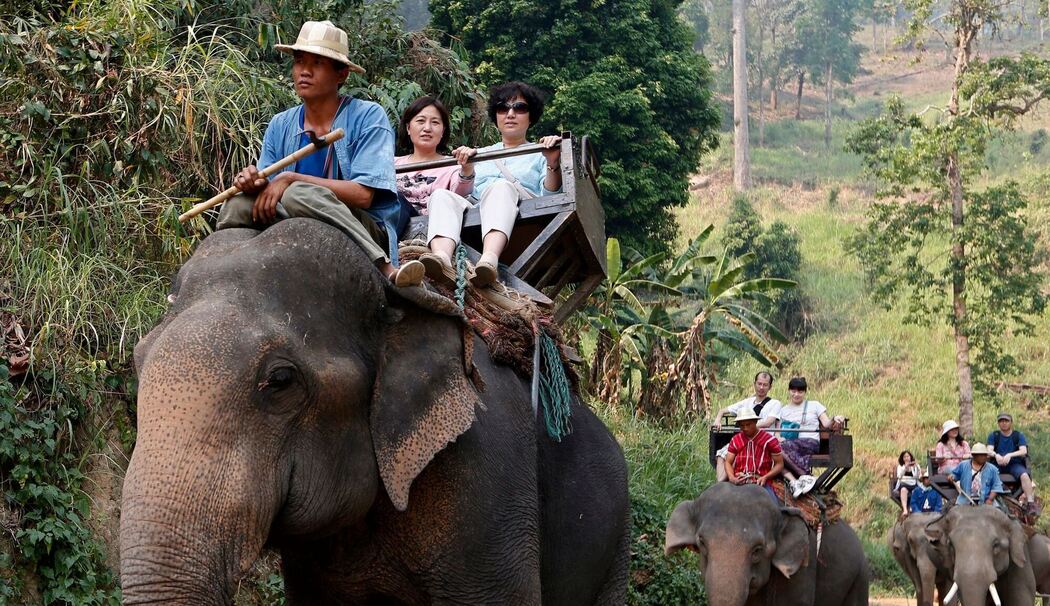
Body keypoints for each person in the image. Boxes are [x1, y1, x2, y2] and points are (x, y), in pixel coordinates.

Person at [216, 20, 424, 287]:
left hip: (359, 224)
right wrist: (254, 183)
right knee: (236, 204)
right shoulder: (280, 123)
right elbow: (269, 186)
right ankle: (216, 275)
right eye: (300, 61)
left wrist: (291, 179)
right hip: (292, 211)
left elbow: (363, 195)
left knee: (299, 193)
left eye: (317, 63)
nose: (304, 71)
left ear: (342, 74)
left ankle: (384, 266)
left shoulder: (368, 116)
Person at [417, 81, 563, 288]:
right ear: (496, 115)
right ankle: (441, 257)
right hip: (478, 216)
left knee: (500, 187)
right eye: (503, 108)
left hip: (522, 220)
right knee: (441, 195)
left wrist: (552, 161)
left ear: (531, 117)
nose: (510, 114)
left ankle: (489, 259)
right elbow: (466, 197)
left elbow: (549, 200)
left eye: (519, 108)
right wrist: (467, 169)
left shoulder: (539, 152)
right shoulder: (481, 154)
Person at [393, 96, 477, 285]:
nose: (427, 128)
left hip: (428, 225)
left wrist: (467, 168)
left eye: (435, 122)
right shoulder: (391, 164)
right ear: (408, 127)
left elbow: (460, 192)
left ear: (443, 130)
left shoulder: (451, 166)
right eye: (420, 121)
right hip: (394, 218)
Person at [776, 376, 845, 497]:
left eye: (800, 391)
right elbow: (777, 430)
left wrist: (834, 418)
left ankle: (806, 475)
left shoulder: (814, 405)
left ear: (805, 392)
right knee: (774, 453)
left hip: (809, 442)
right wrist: (778, 437)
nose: (796, 394)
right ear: (789, 391)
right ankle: (794, 482)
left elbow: (826, 424)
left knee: (782, 448)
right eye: (793, 391)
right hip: (790, 444)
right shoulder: (783, 410)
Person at [712, 371, 781, 482]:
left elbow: (769, 422)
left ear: (770, 387)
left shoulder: (774, 403)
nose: (761, 387)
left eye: (765, 385)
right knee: (721, 454)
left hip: (762, 441)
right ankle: (720, 484)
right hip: (743, 440)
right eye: (759, 384)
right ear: (754, 384)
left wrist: (748, 426)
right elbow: (723, 410)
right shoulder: (747, 402)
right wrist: (718, 419)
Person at [724, 409, 784, 503]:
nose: (745, 428)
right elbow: (728, 461)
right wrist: (732, 478)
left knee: (773, 506)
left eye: (748, 425)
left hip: (761, 480)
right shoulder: (735, 440)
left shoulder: (770, 440)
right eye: (742, 426)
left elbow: (779, 464)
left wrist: (765, 477)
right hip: (739, 479)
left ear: (755, 422)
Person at [988, 413, 1037, 511]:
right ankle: (987, 500)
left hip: (1014, 464)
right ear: (998, 423)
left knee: (1024, 475)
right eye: (1001, 421)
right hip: (997, 463)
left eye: (1006, 421)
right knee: (987, 473)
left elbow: (1023, 450)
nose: (1004, 423)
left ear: (1011, 422)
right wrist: (996, 455)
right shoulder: (994, 435)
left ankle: (1030, 503)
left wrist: (1010, 455)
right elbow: (989, 450)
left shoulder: (1018, 435)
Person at [895, 450, 922, 514]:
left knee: (915, 491)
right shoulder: (900, 466)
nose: (906, 458)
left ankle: (911, 507)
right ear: (902, 458)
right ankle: (905, 509)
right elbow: (899, 476)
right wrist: (905, 468)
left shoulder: (915, 466)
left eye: (908, 456)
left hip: (913, 483)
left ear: (910, 457)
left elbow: (918, 476)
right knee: (903, 490)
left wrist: (917, 468)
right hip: (904, 483)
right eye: (905, 457)